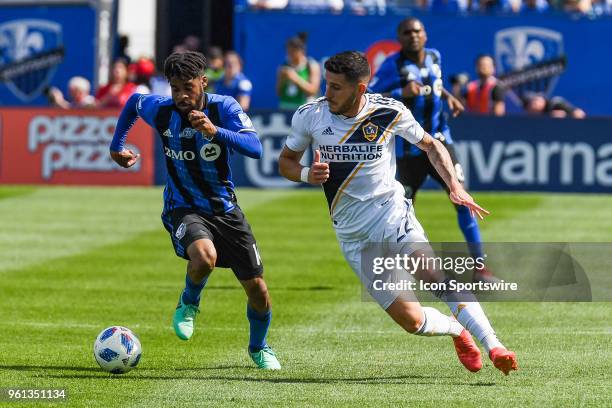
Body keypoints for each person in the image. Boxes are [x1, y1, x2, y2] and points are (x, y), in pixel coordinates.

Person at [279, 50, 518, 376]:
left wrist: (455, 186)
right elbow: (286, 162)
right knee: (413, 321)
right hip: (352, 235)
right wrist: (308, 175)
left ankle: (494, 345)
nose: (327, 92)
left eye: (336, 87)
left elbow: (432, 145)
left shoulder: (387, 111)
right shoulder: (310, 115)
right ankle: (456, 329)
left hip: (392, 215)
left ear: (360, 88)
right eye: (327, 84)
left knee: (434, 276)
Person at [109, 51, 281, 370]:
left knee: (259, 291)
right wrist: (116, 145)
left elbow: (255, 148)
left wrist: (215, 131)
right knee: (204, 257)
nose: (181, 95)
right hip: (182, 206)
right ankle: (189, 303)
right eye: (175, 88)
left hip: (225, 209)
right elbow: (135, 101)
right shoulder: (162, 110)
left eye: (188, 87)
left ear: (203, 82)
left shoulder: (223, 107)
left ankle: (259, 347)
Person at [369, 18, 494, 283]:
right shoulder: (392, 65)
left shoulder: (435, 57)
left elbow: (434, 83)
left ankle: (480, 268)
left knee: (462, 200)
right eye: (407, 32)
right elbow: (369, 97)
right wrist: (399, 91)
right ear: (399, 38)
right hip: (407, 149)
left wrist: (448, 97)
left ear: (425, 35)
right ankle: (398, 269)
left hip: (440, 144)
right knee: (400, 212)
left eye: (417, 31)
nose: (413, 36)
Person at [276, 33, 321, 110]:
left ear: (301, 51)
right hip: (285, 109)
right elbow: (279, 93)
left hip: (304, 110)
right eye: (288, 51)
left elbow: (313, 91)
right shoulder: (283, 66)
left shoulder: (312, 65)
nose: (290, 54)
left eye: (293, 51)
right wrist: (281, 79)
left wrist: (295, 78)